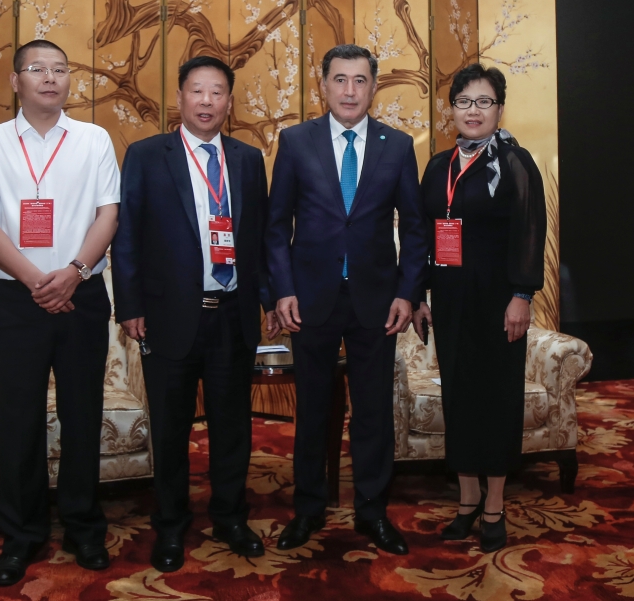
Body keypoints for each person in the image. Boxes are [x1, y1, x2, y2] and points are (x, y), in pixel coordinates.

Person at [0, 39, 121, 585]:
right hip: (18, 301)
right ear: (15, 81)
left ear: (69, 80)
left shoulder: (94, 139)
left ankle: (83, 527)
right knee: (20, 419)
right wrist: (36, 282)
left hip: (82, 296)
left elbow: (109, 215)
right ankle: (21, 535)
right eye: (37, 69)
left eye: (59, 69)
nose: (50, 78)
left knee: (82, 415)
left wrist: (73, 272)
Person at [111, 56, 279, 572]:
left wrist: (269, 299)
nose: (207, 101)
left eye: (217, 92)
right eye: (197, 91)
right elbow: (127, 235)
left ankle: (230, 517)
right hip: (168, 315)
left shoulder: (247, 160)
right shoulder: (146, 155)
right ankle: (170, 523)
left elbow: (260, 237)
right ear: (180, 97)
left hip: (232, 313)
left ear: (229, 101)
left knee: (233, 426)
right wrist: (130, 305)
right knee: (170, 428)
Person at [267, 44, 430, 555]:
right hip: (310, 299)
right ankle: (308, 510)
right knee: (313, 410)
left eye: (360, 80)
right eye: (340, 79)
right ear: (323, 86)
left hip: (377, 302)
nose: (350, 90)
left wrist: (408, 294)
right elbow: (276, 227)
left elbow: (417, 230)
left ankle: (372, 512)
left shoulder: (397, 146)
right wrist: (282, 290)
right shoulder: (295, 141)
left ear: (373, 87)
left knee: (373, 411)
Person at [420, 63, 546, 552]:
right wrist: (421, 296)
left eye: (484, 102)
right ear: (451, 108)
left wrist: (522, 295)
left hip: (499, 304)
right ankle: (467, 500)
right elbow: (426, 234)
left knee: (495, 399)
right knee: (460, 397)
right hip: (450, 301)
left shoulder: (514, 162)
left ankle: (494, 505)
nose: (473, 111)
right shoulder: (439, 165)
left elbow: (531, 230)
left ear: (499, 108)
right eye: (464, 102)